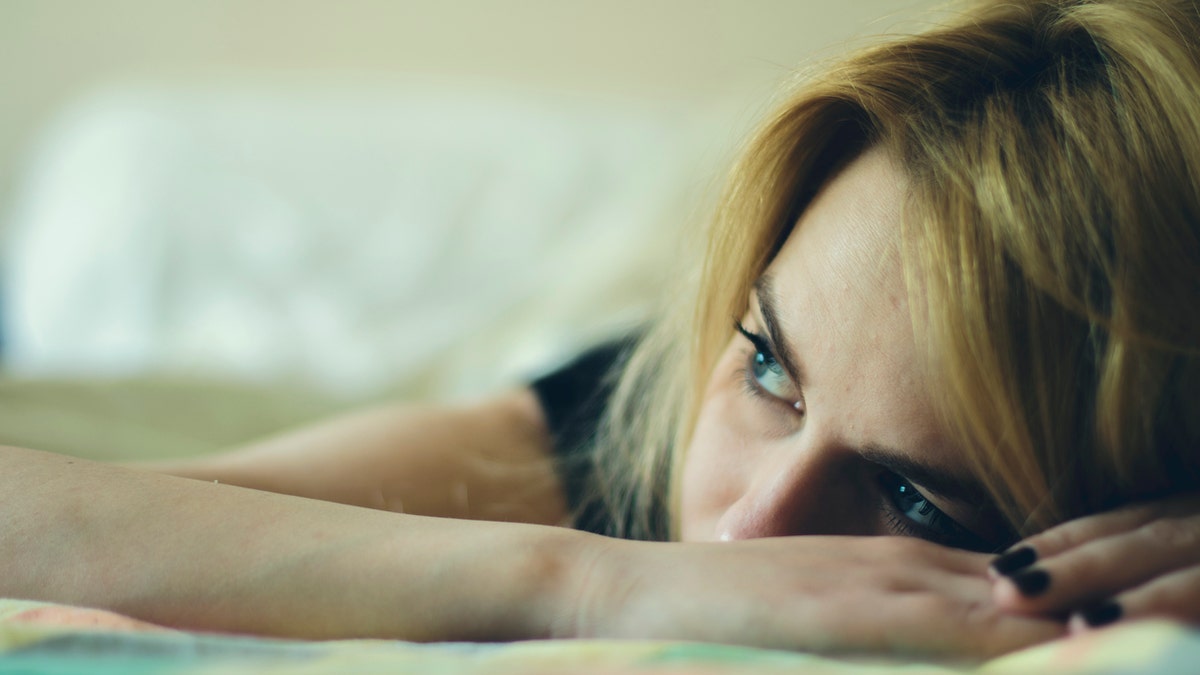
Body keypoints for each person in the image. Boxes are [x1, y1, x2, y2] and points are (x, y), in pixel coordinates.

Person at [4, 0, 1200, 659]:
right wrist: (579, 580)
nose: (744, 531)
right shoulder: (623, 413)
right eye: (771, 371)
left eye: (925, 503)